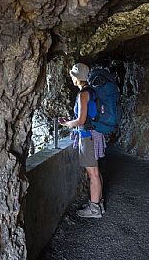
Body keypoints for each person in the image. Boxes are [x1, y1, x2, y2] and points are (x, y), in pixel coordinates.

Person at [59, 63, 105, 218]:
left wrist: (66, 123)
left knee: (93, 174)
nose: (71, 77)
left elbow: (80, 120)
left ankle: (94, 209)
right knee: (96, 173)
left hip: (87, 137)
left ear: (78, 77)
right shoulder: (91, 91)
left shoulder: (83, 94)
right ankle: (98, 203)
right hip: (94, 134)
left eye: (73, 75)